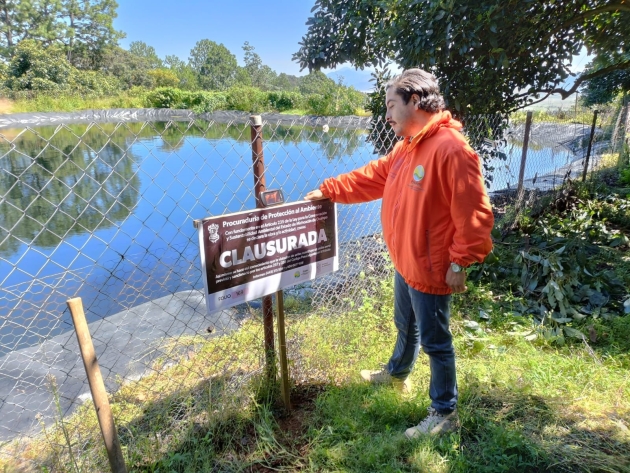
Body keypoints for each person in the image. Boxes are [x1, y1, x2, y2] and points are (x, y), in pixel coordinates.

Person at [304, 69, 494, 438]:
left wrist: (459, 261)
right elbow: (373, 176)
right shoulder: (407, 146)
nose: (387, 115)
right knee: (405, 326)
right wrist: (330, 189)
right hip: (406, 260)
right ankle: (396, 375)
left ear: (415, 101)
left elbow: (474, 213)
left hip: (432, 266)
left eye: (391, 105)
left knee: (436, 342)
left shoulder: (451, 149)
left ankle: (443, 412)